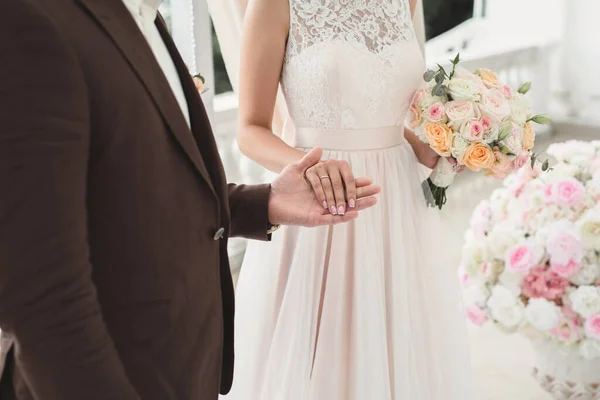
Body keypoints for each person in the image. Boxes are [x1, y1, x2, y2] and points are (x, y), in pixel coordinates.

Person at [0, 1, 381, 399]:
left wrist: (264, 202)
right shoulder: (32, 21)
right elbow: (40, 294)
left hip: (183, 367)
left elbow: (139, 188)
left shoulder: (144, 18)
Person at [224, 0, 475, 398]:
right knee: (325, 352)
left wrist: (424, 147)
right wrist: (306, 166)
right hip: (321, 197)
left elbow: (383, 110)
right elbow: (250, 130)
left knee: (397, 338)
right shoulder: (274, 5)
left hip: (398, 199)